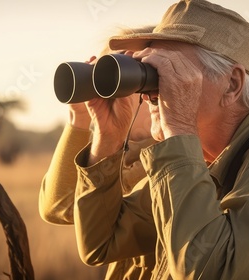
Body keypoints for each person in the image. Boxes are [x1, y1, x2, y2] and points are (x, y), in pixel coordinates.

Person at [71, 0, 249, 279]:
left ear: (232, 84)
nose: (148, 91)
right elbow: (101, 242)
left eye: (171, 71)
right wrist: (108, 138)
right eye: (148, 69)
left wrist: (179, 128)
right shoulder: (205, 157)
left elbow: (207, 271)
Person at [39, 27, 158, 279]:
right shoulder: (119, 153)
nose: (109, 91)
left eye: (119, 75)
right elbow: (57, 208)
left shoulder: (172, 157)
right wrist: (79, 117)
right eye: (102, 77)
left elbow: (66, 207)